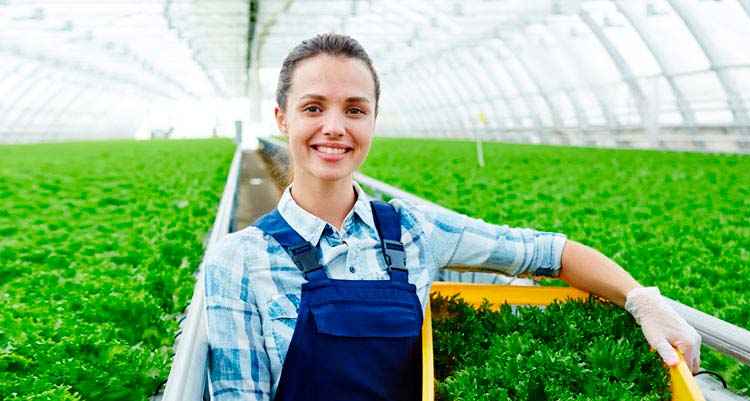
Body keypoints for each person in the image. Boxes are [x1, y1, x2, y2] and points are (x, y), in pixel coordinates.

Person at [204, 33, 701, 401]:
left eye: (355, 110)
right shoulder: (241, 259)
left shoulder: (415, 232)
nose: (334, 127)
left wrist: (642, 301)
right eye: (314, 107)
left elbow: (550, 253)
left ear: (374, 118)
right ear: (282, 119)